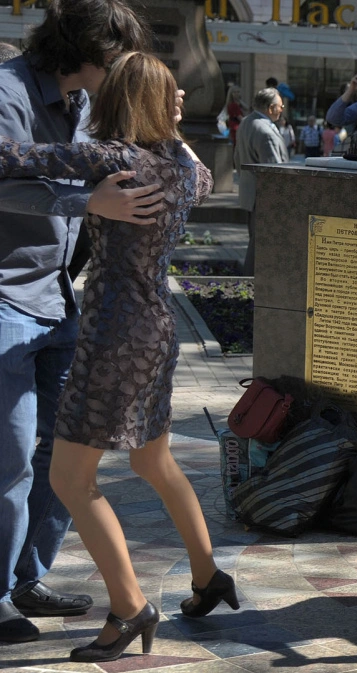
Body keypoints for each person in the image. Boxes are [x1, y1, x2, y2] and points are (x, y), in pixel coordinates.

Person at [0, 51, 227, 663]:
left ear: (116, 99)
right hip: (159, 327)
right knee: (154, 459)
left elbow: (12, 157)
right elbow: (199, 171)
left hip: (114, 333)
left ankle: (129, 608)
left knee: (69, 478)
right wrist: (173, 124)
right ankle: (209, 576)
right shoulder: (183, 164)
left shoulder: (115, 157)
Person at [0, 0, 168, 644]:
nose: (125, 72)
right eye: (119, 59)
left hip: (56, 300)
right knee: (10, 459)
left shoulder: (79, 107)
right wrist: (87, 198)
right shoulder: (9, 92)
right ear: (90, 53)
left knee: (63, 458)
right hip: (8, 300)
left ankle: (26, 578)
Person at [233, 87, 289, 275]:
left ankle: (252, 281)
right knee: (262, 243)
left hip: (250, 193)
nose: (282, 110)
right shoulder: (266, 131)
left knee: (256, 240)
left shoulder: (246, 123)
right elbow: (274, 173)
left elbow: (236, 158)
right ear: (271, 108)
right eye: (280, 106)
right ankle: (254, 282)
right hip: (265, 197)